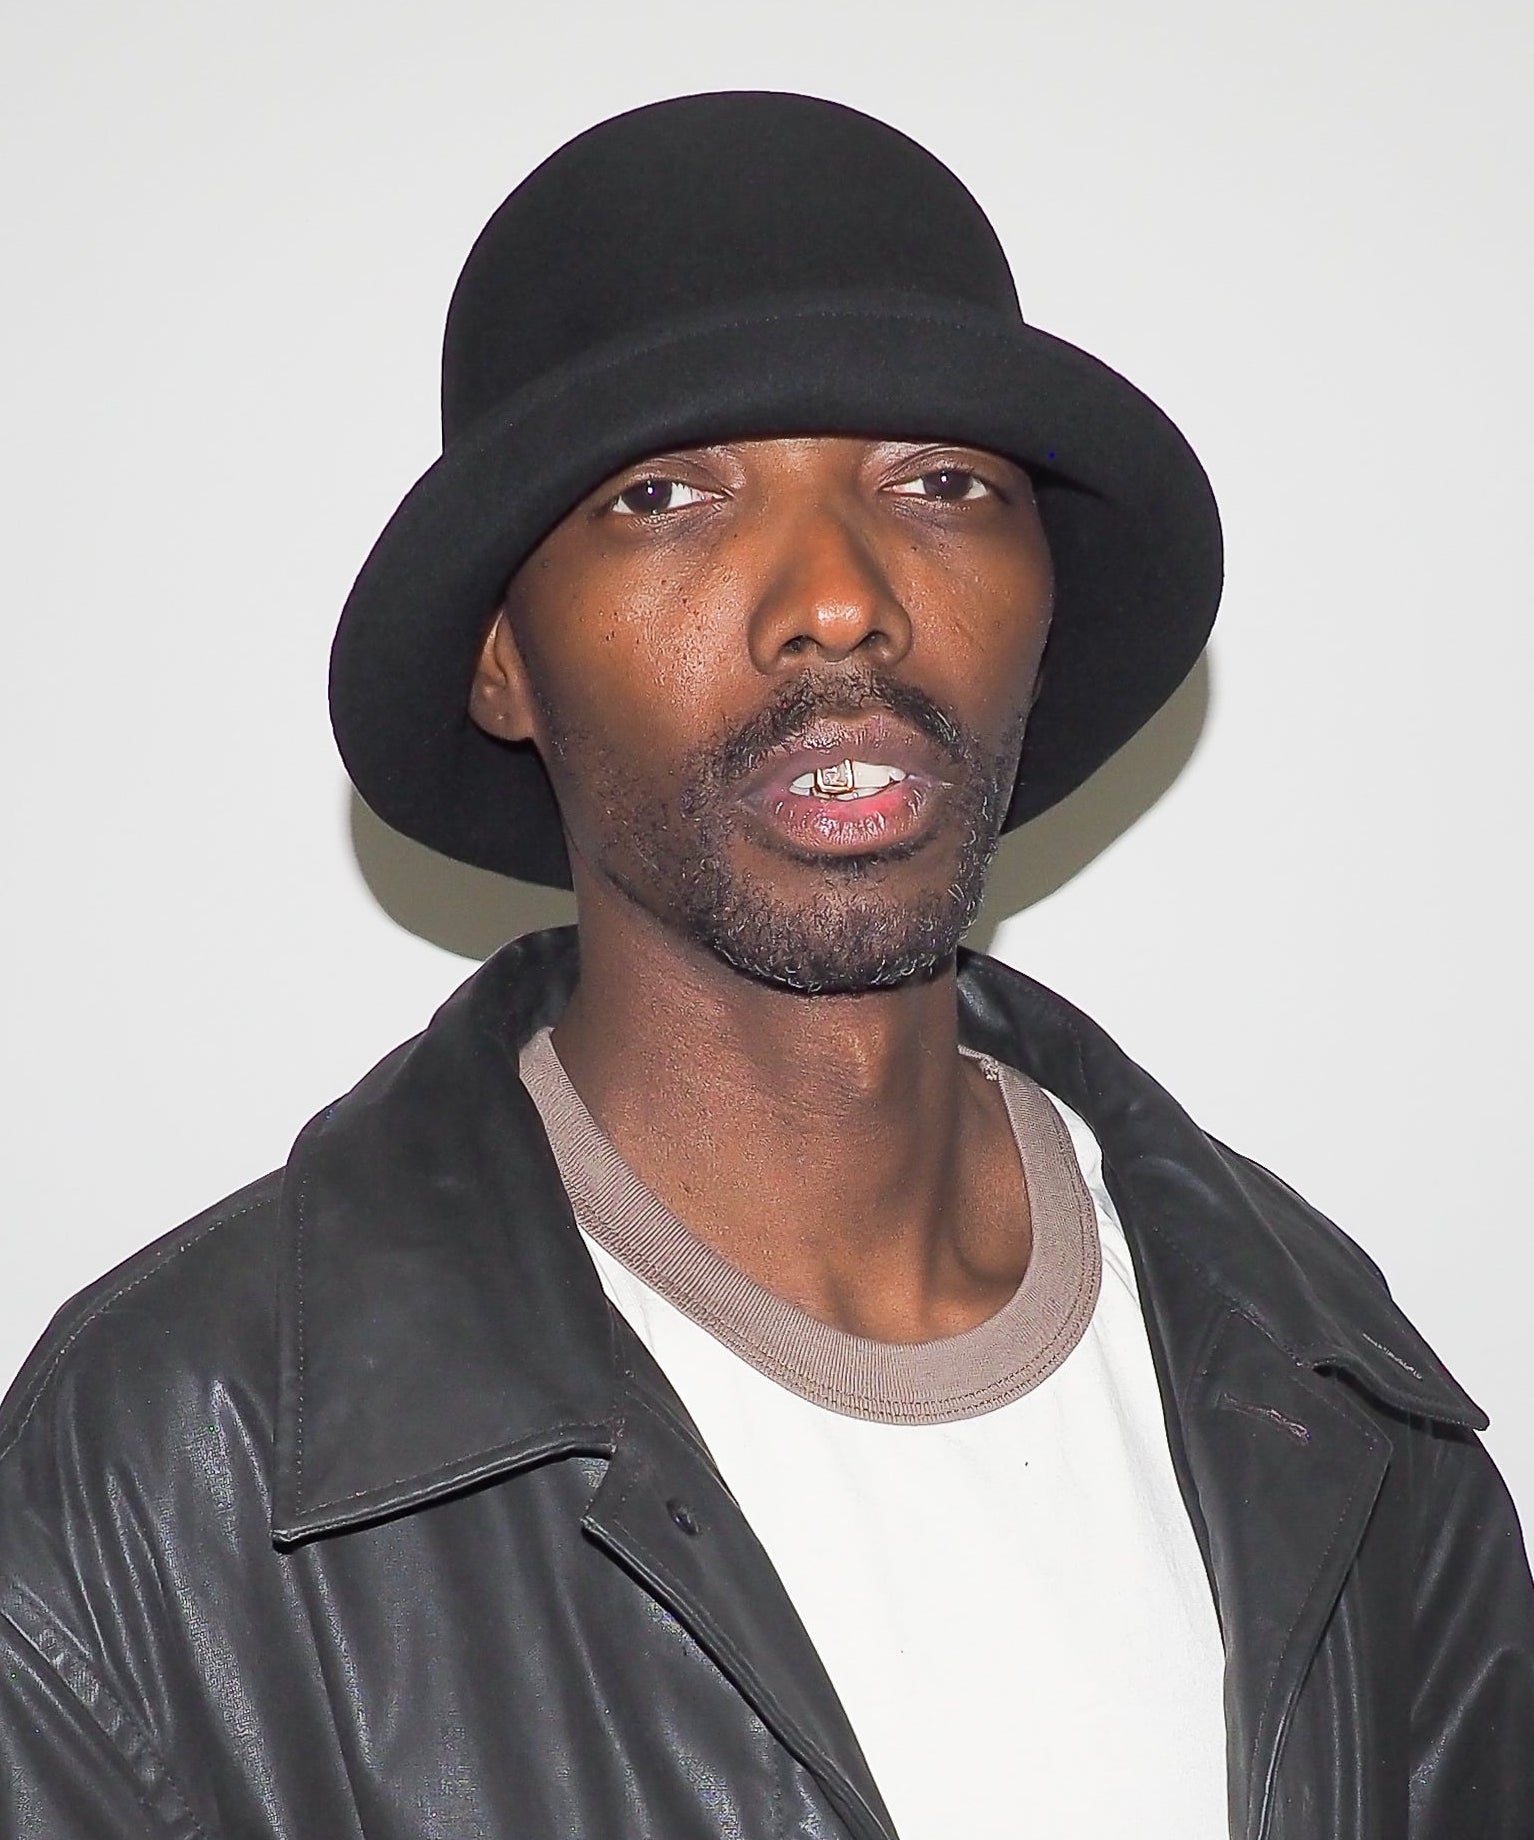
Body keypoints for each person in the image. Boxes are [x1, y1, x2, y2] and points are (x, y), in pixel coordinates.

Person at [1, 90, 1529, 1840]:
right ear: (502, 661)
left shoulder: (1329, 1393)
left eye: (939, 483)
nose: (836, 599)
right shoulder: (172, 1474)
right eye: (666, 496)